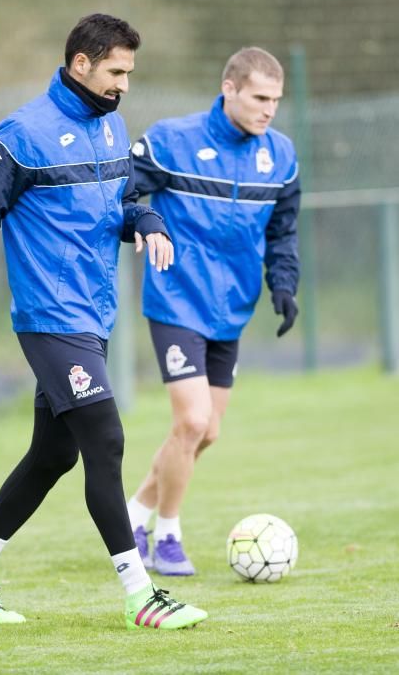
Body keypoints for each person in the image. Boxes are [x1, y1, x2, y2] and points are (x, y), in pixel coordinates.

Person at [0, 13, 207, 630]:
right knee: (106, 440)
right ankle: (140, 596)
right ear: (82, 63)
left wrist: (148, 221)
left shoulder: (112, 127)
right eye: (116, 71)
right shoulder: (20, 135)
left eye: (130, 72)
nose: (125, 83)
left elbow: (121, 206)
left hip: (93, 317)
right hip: (50, 319)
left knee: (53, 456)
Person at [127, 47, 301, 576]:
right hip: (177, 300)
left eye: (275, 99)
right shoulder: (171, 141)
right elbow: (126, 190)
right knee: (192, 420)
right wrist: (145, 222)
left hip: (232, 309)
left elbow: (283, 231)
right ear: (229, 89)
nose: (268, 109)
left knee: (207, 433)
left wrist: (284, 285)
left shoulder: (282, 156)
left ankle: (132, 514)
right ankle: (167, 538)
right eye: (259, 97)